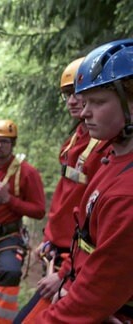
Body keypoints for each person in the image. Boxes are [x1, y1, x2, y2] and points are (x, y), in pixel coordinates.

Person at [34, 39, 133, 323]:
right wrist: (64, 270)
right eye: (81, 100)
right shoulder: (112, 157)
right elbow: (83, 227)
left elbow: (98, 293)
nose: (84, 111)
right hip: (73, 271)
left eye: (98, 102)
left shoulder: (126, 193)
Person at [14, 58, 109, 323]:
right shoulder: (75, 141)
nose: (72, 101)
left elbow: (99, 225)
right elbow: (65, 199)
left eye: (79, 94)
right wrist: (49, 237)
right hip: (60, 250)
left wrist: (65, 271)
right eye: (67, 95)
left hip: (76, 261)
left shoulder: (105, 147)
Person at [0, 119, 46, 323]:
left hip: (10, 235)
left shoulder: (27, 173)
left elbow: (39, 210)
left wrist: (9, 200)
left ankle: (3, 321)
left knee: (9, 272)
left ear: (12, 144)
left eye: (4, 141)